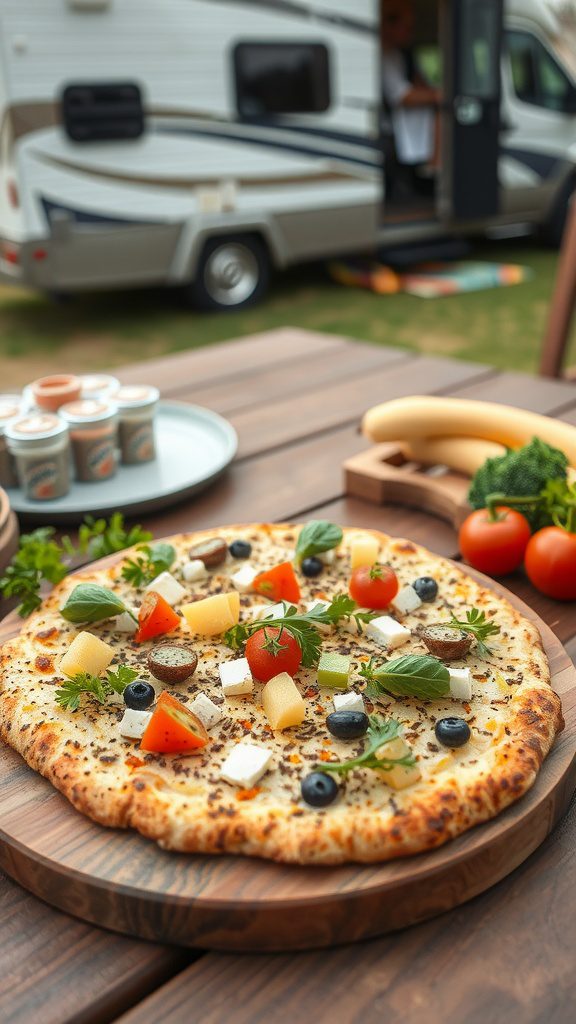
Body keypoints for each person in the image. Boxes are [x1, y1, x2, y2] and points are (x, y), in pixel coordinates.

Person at [380, 0, 441, 169]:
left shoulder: (403, 55)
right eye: (406, 28)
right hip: (394, 131)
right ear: (390, 28)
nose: (410, 33)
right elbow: (402, 96)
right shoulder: (386, 57)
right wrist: (438, 95)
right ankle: (434, 167)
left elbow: (421, 84)